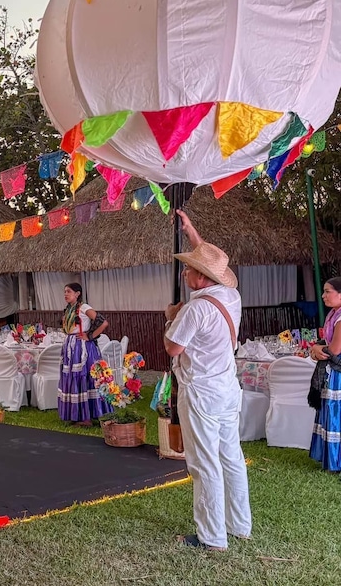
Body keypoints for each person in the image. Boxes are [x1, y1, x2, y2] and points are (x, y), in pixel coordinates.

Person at [163, 209, 250, 551]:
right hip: (227, 388)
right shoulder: (231, 296)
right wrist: (191, 232)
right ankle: (239, 525)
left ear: (201, 277)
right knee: (231, 457)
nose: (184, 273)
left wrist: (171, 318)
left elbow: (173, 348)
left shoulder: (195, 309)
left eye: (189, 269)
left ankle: (212, 536)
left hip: (201, 392)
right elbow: (211, 264)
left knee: (204, 464)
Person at [58, 282, 110, 425]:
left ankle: (87, 416)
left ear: (77, 294)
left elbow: (103, 322)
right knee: (71, 378)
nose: (66, 294)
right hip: (71, 346)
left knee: (83, 376)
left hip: (81, 348)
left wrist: (90, 335)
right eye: (65, 292)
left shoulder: (83, 307)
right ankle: (76, 414)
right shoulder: (69, 309)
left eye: (69, 291)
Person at [309, 277, 341, 470]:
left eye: (328, 291)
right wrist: (316, 348)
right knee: (331, 411)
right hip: (333, 370)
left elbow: (335, 350)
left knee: (336, 412)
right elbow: (326, 343)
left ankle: (336, 460)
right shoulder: (334, 315)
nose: (323, 295)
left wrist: (316, 349)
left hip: (338, 372)